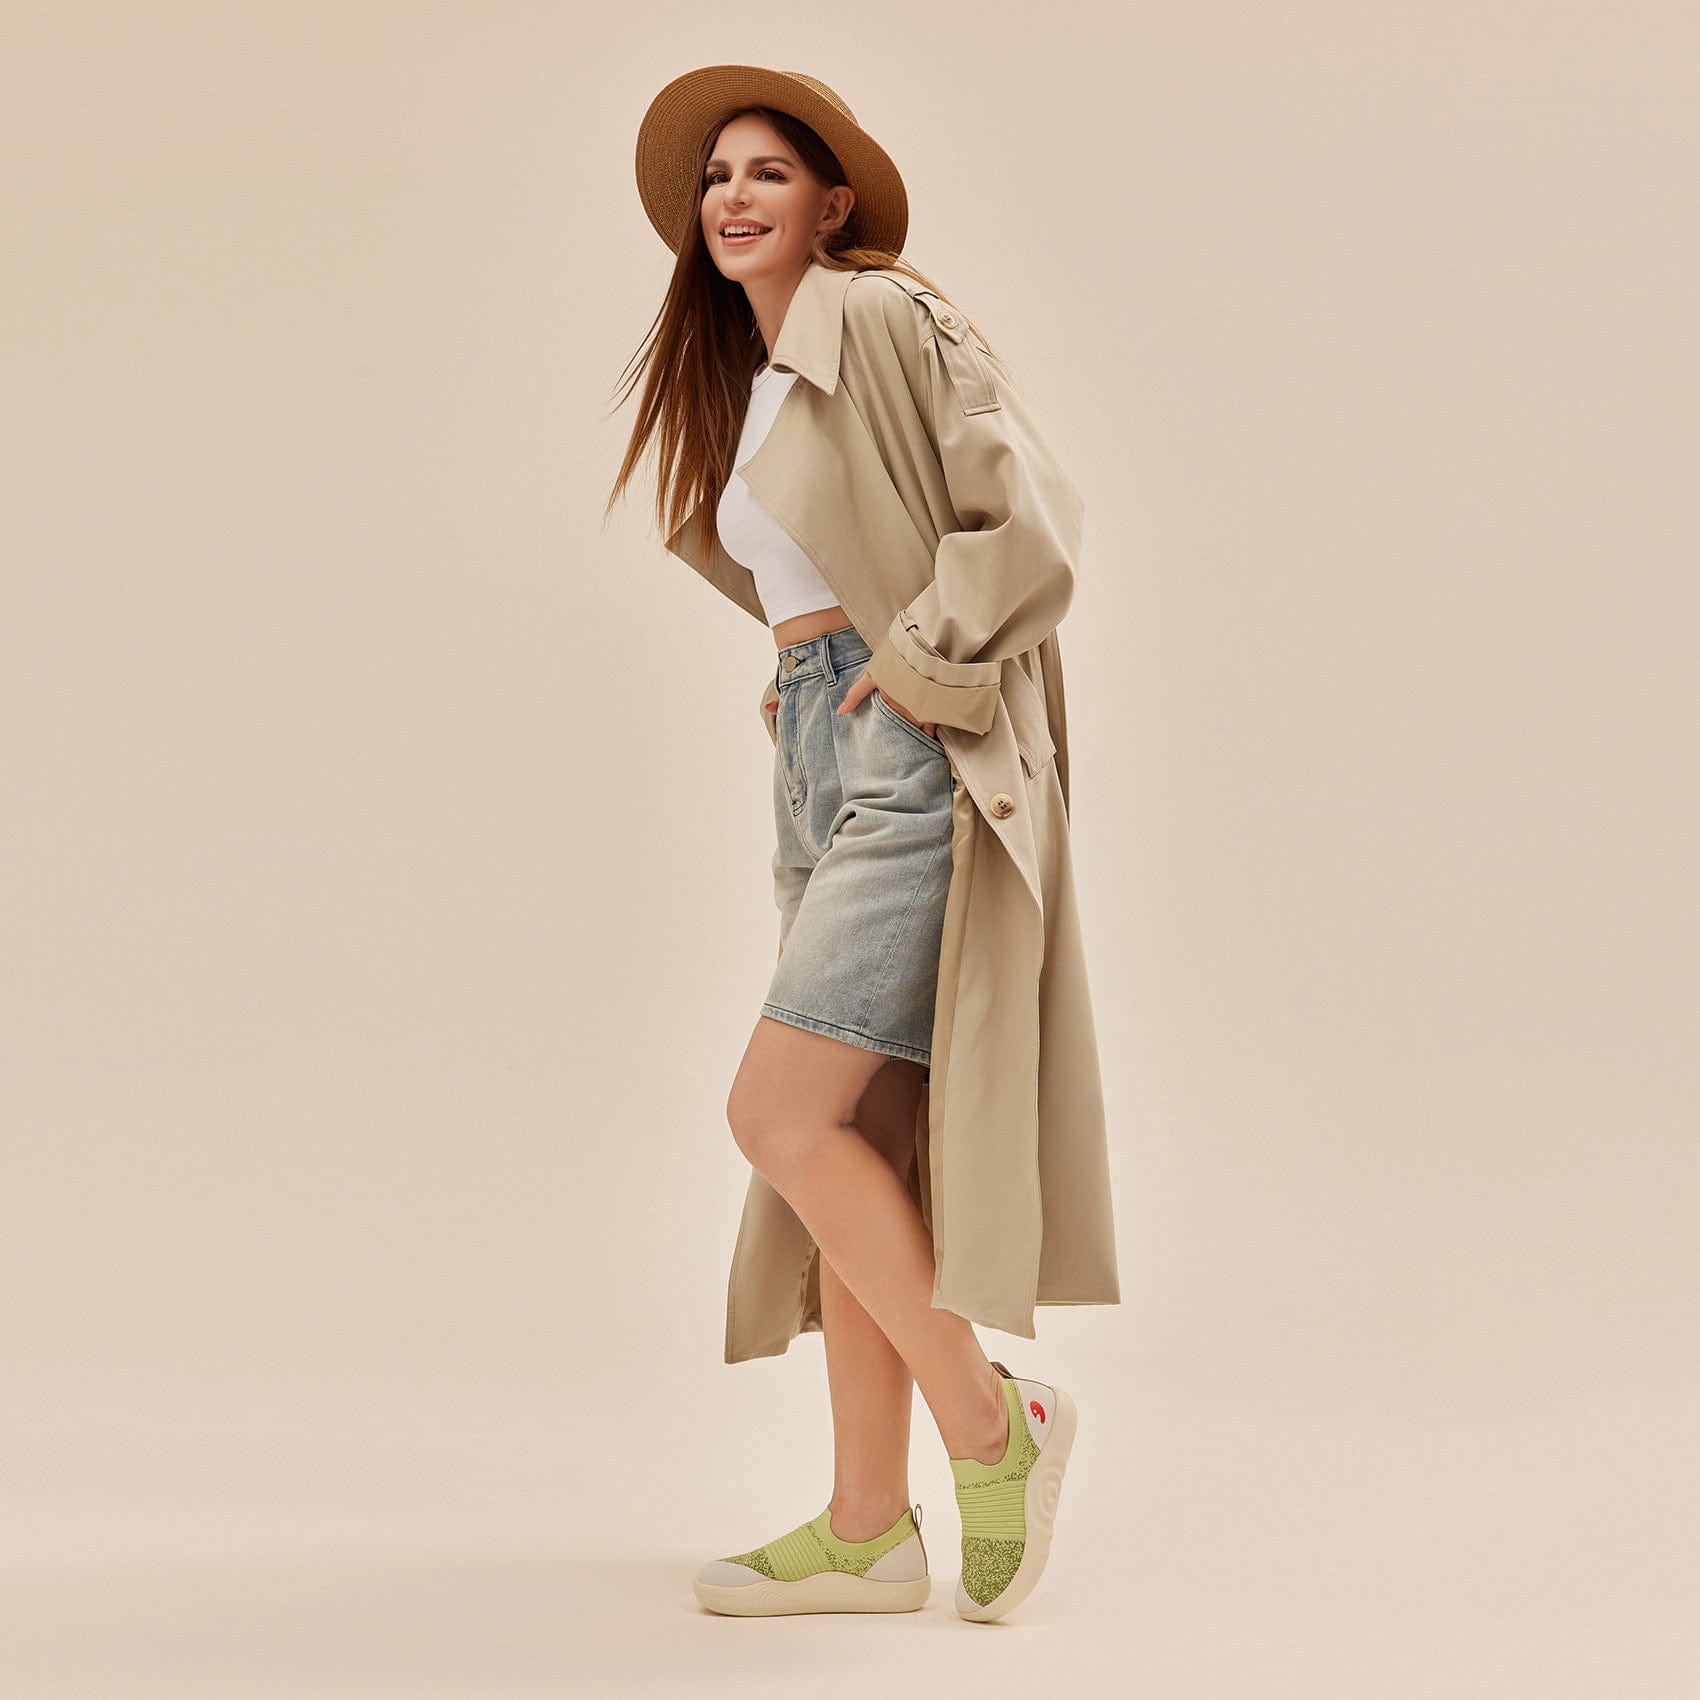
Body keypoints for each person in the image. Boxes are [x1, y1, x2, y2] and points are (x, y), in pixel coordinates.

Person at [607, 64, 1120, 1621]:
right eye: (716, 179)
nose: (733, 197)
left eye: (767, 172)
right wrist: (808, 672)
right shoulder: (761, 380)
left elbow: (1031, 517)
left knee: (777, 1113)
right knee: (857, 1143)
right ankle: (864, 1527)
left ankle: (994, 1421)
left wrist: (905, 667)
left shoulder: (883, 317)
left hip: (914, 752)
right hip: (824, 754)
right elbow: (816, 569)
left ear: (833, 203)